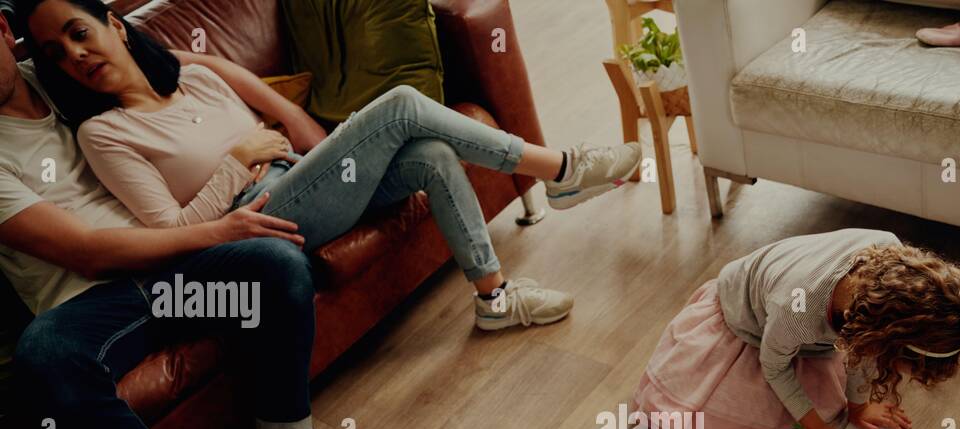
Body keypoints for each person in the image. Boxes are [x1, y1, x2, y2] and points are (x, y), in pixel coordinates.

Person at [21, 0, 643, 332]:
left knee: (426, 153)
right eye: (56, 53)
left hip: (303, 179)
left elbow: (286, 122)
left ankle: (495, 298)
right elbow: (166, 233)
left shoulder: (194, 72)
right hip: (258, 220)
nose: (75, 55)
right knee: (400, 106)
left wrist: (333, 152)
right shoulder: (105, 132)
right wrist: (235, 163)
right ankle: (557, 168)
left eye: (80, 32)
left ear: (113, 25)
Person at [1, 9, 316, 429]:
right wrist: (216, 229)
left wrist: (290, 117)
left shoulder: (56, 65)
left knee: (279, 265)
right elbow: (85, 253)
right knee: (44, 358)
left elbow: (174, 65)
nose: (74, 53)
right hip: (94, 300)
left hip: (176, 276)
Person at [634, 228, 960, 429]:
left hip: (814, 331)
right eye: (899, 366)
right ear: (882, 340)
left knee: (829, 399)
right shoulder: (795, 308)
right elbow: (774, 366)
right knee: (695, 421)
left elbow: (864, 353)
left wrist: (857, 408)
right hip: (746, 321)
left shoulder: (888, 254)